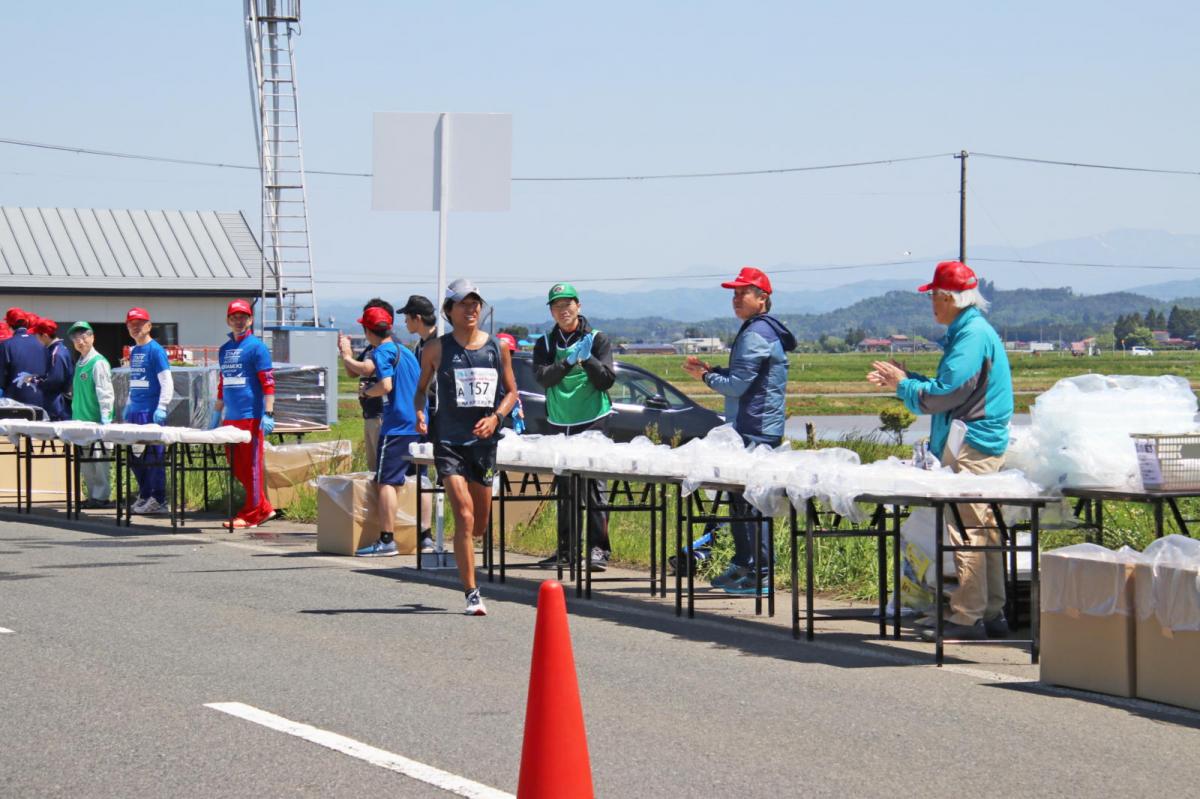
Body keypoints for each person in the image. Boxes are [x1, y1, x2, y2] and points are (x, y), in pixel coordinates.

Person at [867, 260, 1013, 641]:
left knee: (966, 530)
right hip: (977, 443)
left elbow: (947, 393)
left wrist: (904, 387)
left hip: (970, 446)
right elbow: (947, 385)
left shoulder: (970, 336)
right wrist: (908, 380)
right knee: (983, 528)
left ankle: (967, 616)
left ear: (948, 297)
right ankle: (992, 609)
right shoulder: (972, 332)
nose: (931, 303)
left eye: (934, 295)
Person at [683, 267, 796, 595]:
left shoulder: (757, 332)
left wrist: (705, 378)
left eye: (742, 293)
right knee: (738, 498)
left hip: (755, 427)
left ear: (762, 298)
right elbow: (746, 376)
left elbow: (737, 386)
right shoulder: (758, 330)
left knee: (750, 501)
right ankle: (744, 563)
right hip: (755, 424)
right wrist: (713, 370)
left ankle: (758, 572)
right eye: (733, 293)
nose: (735, 299)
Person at [414, 278, 518, 616]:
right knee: (464, 514)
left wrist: (496, 419)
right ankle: (472, 592)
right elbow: (420, 390)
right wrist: (420, 412)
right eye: (463, 304)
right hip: (448, 441)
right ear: (449, 311)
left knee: (481, 524)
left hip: (484, 443)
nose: (471, 309)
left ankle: (469, 564)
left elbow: (512, 393)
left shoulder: (496, 348)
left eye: (476, 303)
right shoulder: (436, 349)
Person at [532, 282, 616, 571]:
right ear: (551, 311)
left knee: (594, 487)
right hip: (560, 421)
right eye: (557, 306)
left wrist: (587, 358)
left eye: (568, 304)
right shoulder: (544, 343)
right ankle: (567, 549)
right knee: (565, 488)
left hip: (593, 418)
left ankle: (599, 549)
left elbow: (606, 380)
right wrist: (568, 362)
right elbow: (543, 378)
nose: (563, 310)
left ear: (578, 306)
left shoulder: (598, 338)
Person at [355, 306, 422, 557]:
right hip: (417, 423)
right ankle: (424, 537)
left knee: (386, 482)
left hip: (396, 426)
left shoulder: (381, 351)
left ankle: (386, 540)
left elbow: (385, 385)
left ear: (367, 330)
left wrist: (365, 392)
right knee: (419, 481)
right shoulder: (406, 351)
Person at [214, 299, 277, 529]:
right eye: (234, 317)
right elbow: (223, 384)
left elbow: (268, 383)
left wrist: (268, 413)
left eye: (243, 317)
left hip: (252, 416)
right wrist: (216, 414)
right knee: (235, 464)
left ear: (250, 320)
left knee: (251, 466)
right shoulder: (224, 350)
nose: (239, 321)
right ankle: (264, 508)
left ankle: (251, 514)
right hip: (231, 417)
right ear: (228, 320)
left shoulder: (257, 347)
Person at [123, 307, 173, 514]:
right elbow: (135, 381)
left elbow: (167, 381)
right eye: (131, 324)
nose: (135, 328)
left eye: (139, 324)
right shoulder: (134, 351)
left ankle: (159, 498)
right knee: (135, 457)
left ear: (149, 326)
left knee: (154, 456)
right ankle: (145, 494)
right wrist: (128, 406)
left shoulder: (156, 350)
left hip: (150, 412)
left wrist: (161, 407)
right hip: (135, 410)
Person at [399, 294, 439, 553]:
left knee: (440, 475)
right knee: (419, 472)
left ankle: (431, 533)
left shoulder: (439, 344)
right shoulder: (419, 346)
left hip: (440, 417)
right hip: (423, 416)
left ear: (418, 318)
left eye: (407, 317)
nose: (405, 322)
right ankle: (423, 531)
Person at [338, 298, 392, 472]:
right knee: (373, 468)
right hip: (370, 414)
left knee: (381, 469)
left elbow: (367, 369)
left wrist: (347, 357)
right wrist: (346, 353)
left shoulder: (384, 347)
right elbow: (353, 372)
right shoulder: (371, 347)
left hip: (380, 414)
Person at [68, 321, 114, 509]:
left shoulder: (98, 362)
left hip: (96, 420)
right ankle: (92, 494)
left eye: (83, 336)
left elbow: (106, 392)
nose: (80, 341)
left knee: (99, 460)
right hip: (80, 421)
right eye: (76, 338)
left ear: (92, 337)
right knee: (85, 462)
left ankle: (102, 496)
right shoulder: (80, 362)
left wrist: (106, 419)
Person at [0, 307, 49, 409]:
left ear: (9, 324)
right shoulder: (41, 345)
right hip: (39, 400)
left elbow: (2, 378)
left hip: (14, 403)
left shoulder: (7, 345)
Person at [33, 317, 74, 421]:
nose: (36, 339)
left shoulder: (56, 353)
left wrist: (34, 381)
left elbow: (54, 381)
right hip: (58, 404)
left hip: (58, 406)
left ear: (45, 336)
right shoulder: (58, 349)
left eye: (37, 335)